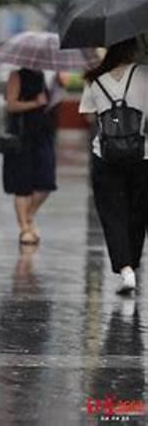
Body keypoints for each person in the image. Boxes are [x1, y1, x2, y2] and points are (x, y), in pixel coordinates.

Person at [79, 37, 148, 295]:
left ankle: (125, 269)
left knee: (112, 214)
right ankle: (134, 264)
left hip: (105, 156)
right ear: (134, 48)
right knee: (137, 213)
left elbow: (88, 114)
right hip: (142, 155)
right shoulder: (145, 74)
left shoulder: (95, 79)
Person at [1, 68, 56, 245]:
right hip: (21, 137)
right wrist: (35, 103)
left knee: (46, 182)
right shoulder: (16, 76)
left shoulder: (42, 76)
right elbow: (10, 104)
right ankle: (24, 228)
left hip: (42, 135)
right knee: (22, 185)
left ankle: (29, 217)